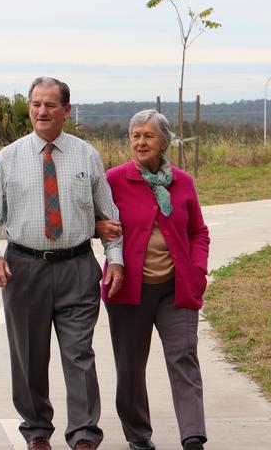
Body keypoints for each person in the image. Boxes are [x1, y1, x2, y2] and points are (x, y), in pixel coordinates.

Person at [0, 76, 124, 450]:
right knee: (28, 356)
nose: (41, 111)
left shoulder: (87, 155)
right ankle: (37, 429)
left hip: (76, 267)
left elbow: (110, 216)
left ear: (66, 110)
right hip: (24, 269)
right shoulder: (8, 158)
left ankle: (85, 434)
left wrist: (114, 260)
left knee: (79, 354)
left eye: (50, 105)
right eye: (36, 104)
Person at [96, 110, 210, 450]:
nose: (140, 142)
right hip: (129, 290)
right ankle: (138, 436)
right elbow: (93, 221)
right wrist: (98, 228)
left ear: (164, 142)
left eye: (148, 135)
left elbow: (199, 232)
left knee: (184, 358)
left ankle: (192, 436)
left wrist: (197, 269)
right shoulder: (114, 180)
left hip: (176, 288)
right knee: (130, 367)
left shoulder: (183, 182)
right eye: (135, 135)